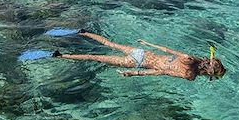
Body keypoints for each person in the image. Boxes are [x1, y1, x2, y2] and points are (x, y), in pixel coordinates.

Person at [52, 31, 227, 81]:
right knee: (94, 57)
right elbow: (160, 72)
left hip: (142, 52)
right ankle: (61, 56)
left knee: (109, 44)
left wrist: (147, 44)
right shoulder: (189, 75)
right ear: (208, 73)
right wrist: (134, 73)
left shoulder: (188, 57)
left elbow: (166, 50)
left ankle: (83, 32)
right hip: (135, 61)